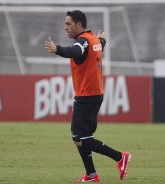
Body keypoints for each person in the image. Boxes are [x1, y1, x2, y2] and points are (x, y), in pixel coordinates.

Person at [44, 10, 132, 183]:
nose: (65, 28)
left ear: (79, 25)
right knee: (83, 138)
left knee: (79, 138)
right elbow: (98, 45)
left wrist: (57, 49)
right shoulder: (93, 39)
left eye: (68, 24)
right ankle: (91, 175)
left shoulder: (83, 41)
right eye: (65, 24)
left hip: (87, 96)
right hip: (94, 94)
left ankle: (120, 157)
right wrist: (103, 40)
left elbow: (76, 51)